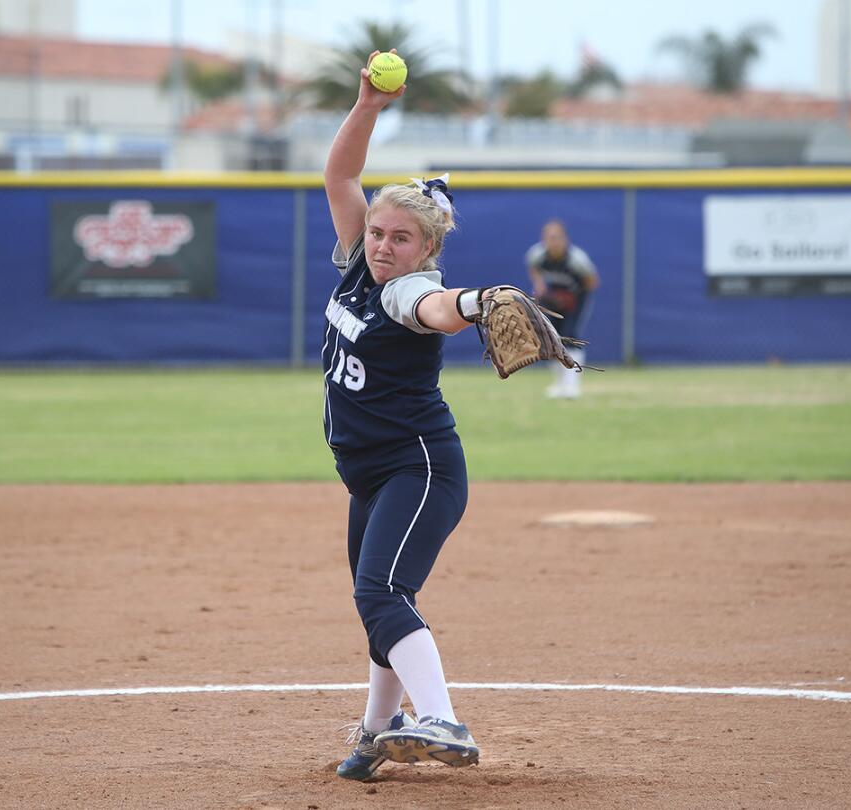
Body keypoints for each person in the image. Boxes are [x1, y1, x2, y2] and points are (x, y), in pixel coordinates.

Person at [321, 49, 508, 781]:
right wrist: (367, 107)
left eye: (401, 238)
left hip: (417, 467)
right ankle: (377, 732)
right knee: (377, 604)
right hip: (369, 474)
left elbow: (436, 309)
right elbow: (340, 177)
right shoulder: (360, 265)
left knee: (382, 592)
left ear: (427, 248)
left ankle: (443, 719)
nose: (384, 246)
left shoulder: (410, 291)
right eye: (378, 232)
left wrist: (474, 302)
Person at [525, 220, 599, 398]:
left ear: (565, 239)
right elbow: (533, 269)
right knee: (550, 339)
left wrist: (572, 296)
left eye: (557, 237)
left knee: (570, 337)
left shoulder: (576, 259)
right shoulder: (537, 255)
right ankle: (559, 384)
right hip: (552, 300)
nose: (553, 241)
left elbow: (592, 281)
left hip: (575, 300)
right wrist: (540, 285)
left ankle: (572, 385)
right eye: (549, 238)